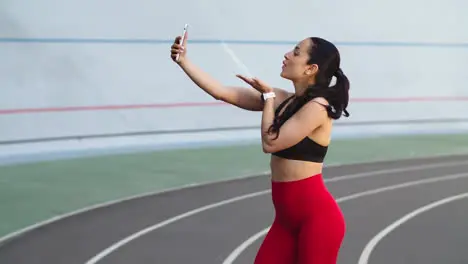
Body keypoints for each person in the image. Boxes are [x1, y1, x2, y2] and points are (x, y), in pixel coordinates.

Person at [170, 32, 350, 264]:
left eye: (296, 52)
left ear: (310, 68)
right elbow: (222, 92)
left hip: (317, 221)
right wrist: (183, 61)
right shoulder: (285, 100)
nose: (286, 55)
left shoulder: (318, 107)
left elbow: (271, 142)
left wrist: (268, 100)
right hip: (285, 222)